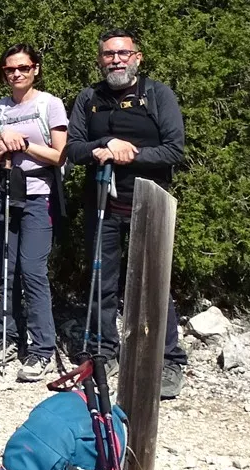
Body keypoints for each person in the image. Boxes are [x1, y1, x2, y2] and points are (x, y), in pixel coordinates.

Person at [64, 29, 188, 399]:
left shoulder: (158, 95)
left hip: (149, 204)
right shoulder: (89, 98)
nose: (116, 60)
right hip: (102, 203)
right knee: (101, 282)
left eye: (123, 53)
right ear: (100, 59)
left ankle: (167, 360)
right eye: (108, 54)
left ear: (137, 57)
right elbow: (74, 149)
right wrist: (106, 143)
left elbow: (174, 150)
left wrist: (129, 154)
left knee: (153, 283)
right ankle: (105, 351)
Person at [0, 44, 69, 382]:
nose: (16, 73)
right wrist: (1, 144)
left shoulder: (50, 105)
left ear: (36, 69)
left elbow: (60, 155)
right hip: (5, 193)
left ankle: (42, 347)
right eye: (10, 69)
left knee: (33, 270)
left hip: (39, 195)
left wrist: (25, 145)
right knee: (7, 268)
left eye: (23, 67)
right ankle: (9, 336)